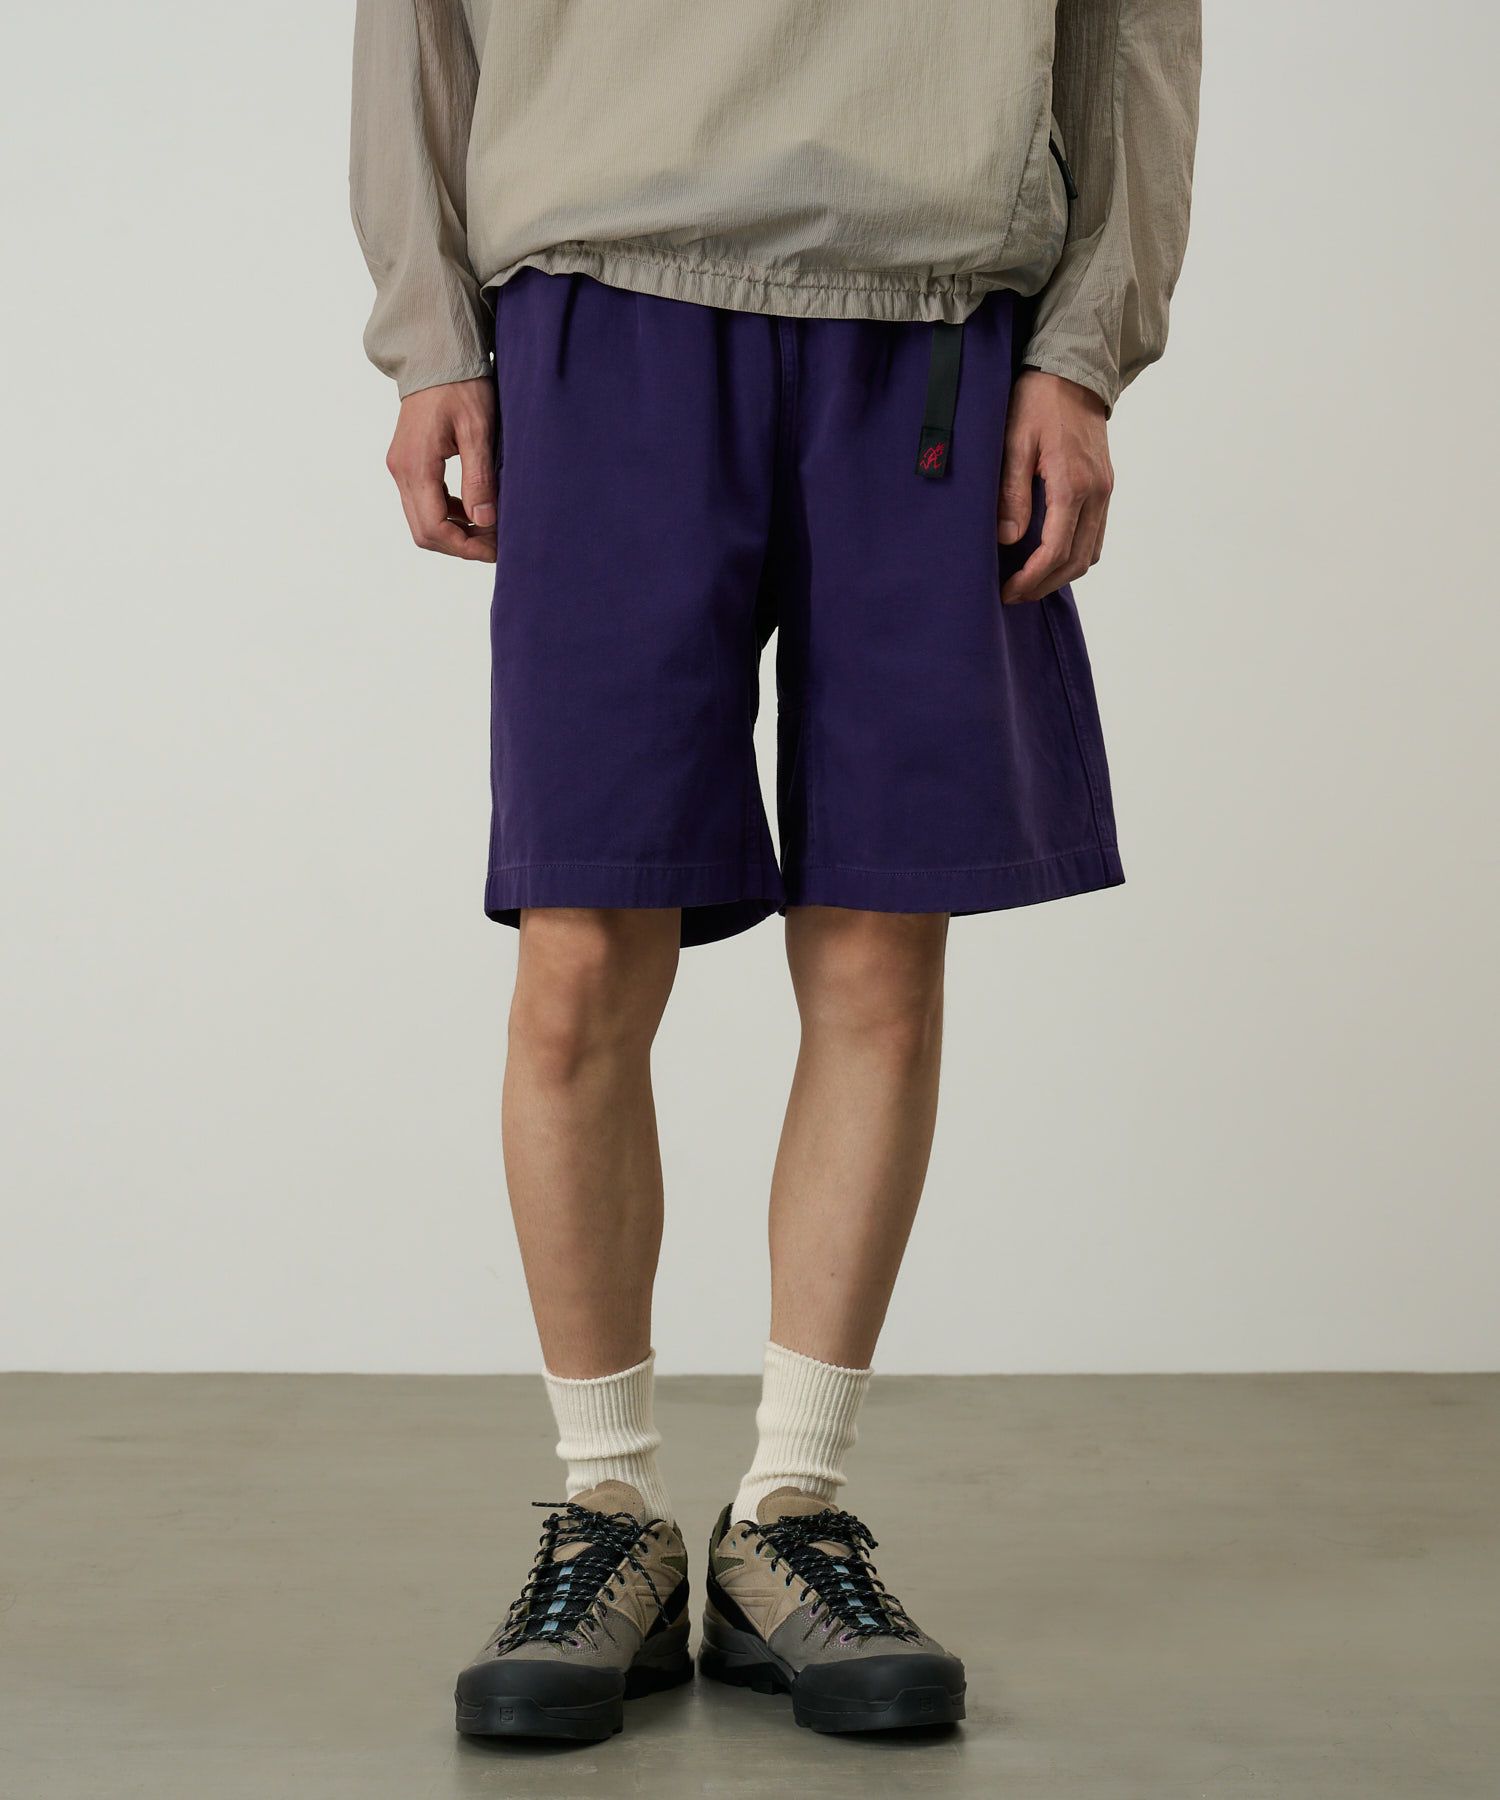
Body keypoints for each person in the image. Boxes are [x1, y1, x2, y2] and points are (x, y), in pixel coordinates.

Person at [351, 0, 1200, 1744]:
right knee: (584, 941)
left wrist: (1083, 349)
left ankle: (791, 1513)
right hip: (602, 301)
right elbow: (416, 25)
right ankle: (607, 1506)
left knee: (882, 948)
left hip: (931, 316)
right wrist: (431, 333)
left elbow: (1132, 30)